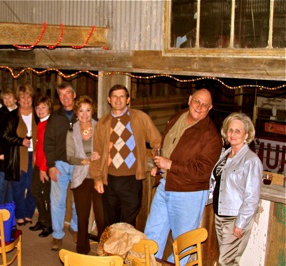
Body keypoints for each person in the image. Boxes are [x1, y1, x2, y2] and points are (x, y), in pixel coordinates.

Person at [144, 88, 222, 265]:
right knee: (151, 235)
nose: (199, 107)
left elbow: (202, 170)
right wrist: (160, 167)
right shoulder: (178, 116)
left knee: (183, 242)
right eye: (197, 101)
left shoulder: (211, 137)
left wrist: (169, 165)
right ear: (189, 100)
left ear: (210, 108)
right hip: (165, 184)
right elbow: (169, 144)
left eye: (204, 105)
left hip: (188, 193)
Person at [89, 84, 162, 228]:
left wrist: (157, 164)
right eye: (115, 96)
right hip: (109, 180)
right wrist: (97, 178)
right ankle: (113, 250)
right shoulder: (102, 124)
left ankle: (126, 250)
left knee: (128, 224)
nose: (118, 100)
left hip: (132, 180)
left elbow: (157, 141)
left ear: (128, 100)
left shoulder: (140, 118)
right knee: (111, 223)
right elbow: (96, 153)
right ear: (109, 100)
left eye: (122, 96)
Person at [210, 112, 262, 265]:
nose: (232, 134)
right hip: (220, 215)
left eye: (237, 131)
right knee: (230, 261)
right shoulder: (225, 154)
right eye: (230, 130)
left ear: (246, 135)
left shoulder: (251, 160)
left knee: (224, 261)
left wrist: (241, 223)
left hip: (234, 218)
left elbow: (252, 196)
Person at [66, 95, 104, 255]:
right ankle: (82, 250)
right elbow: (69, 156)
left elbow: (107, 149)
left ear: (92, 111)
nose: (84, 114)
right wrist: (85, 161)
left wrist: (99, 155)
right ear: (76, 112)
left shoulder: (100, 126)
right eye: (81, 111)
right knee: (82, 217)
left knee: (102, 217)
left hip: (98, 177)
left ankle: (105, 249)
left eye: (88, 110)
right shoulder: (71, 130)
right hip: (81, 178)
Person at [44, 82, 78, 251]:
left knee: (80, 200)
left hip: (80, 165)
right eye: (61, 95)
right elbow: (48, 143)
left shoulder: (83, 114)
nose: (65, 97)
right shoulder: (55, 117)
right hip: (60, 165)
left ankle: (75, 226)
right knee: (57, 201)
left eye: (68, 93)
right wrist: (50, 165)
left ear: (74, 94)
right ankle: (57, 235)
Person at [2, 84, 36, 226]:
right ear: (18, 99)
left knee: (33, 185)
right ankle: (20, 215)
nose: (26, 99)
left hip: (34, 155)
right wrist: (20, 141)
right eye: (23, 97)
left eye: (28, 96)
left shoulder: (38, 114)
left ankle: (29, 213)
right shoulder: (12, 116)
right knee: (18, 186)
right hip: (17, 155)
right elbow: (5, 135)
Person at [29, 96, 53, 238]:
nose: (40, 110)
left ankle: (48, 223)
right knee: (35, 191)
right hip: (38, 164)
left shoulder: (49, 124)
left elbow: (48, 148)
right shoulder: (40, 123)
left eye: (43, 107)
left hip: (46, 166)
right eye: (37, 108)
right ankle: (42, 219)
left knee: (46, 196)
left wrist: (44, 168)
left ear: (49, 108)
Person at [0, 89, 17, 204]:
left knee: (13, 185)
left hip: (16, 153)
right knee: (2, 183)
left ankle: (9, 211)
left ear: (15, 98)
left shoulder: (21, 111)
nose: (7, 100)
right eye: (5, 98)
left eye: (10, 97)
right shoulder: (0, 112)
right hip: (3, 152)